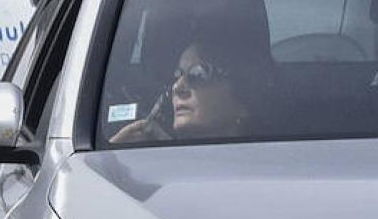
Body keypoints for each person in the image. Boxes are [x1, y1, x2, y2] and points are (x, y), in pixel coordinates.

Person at [110, 31, 269, 144]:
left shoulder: (271, 167)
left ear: (242, 98)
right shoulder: (147, 166)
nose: (177, 87)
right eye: (176, 75)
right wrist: (114, 156)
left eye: (198, 74)